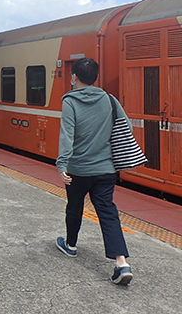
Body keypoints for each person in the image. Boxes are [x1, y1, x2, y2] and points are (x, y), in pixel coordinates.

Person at [55, 57, 133, 285]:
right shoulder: (109, 99)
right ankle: (121, 263)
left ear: (74, 77)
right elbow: (125, 126)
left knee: (75, 206)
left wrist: (62, 165)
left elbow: (67, 136)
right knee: (108, 212)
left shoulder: (69, 101)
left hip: (78, 170)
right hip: (105, 169)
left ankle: (70, 245)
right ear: (95, 78)